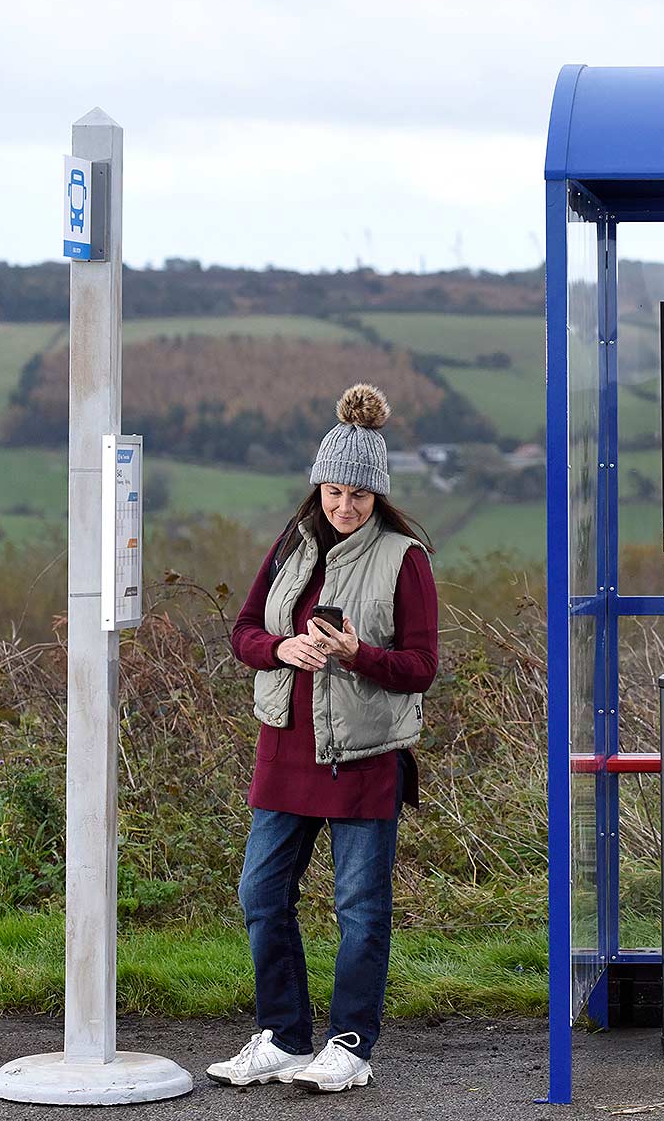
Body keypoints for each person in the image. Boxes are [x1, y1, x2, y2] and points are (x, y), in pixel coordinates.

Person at [206, 383, 439, 1094]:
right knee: (260, 894)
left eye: (360, 496)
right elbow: (244, 632)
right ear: (318, 487)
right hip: (285, 750)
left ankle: (349, 1047)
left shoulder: (406, 558)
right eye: (335, 491)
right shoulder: (292, 546)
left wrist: (355, 653)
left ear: (378, 497)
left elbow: (421, 669)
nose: (345, 506)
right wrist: (282, 650)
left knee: (359, 910)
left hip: (366, 759)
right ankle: (281, 1037)